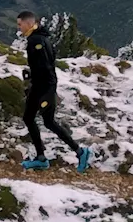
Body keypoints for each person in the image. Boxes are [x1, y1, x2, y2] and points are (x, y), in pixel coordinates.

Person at [17, 11, 92, 172]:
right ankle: (41, 158)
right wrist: (32, 75)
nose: (19, 27)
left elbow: (45, 66)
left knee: (48, 121)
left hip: (45, 87)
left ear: (28, 23)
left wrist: (46, 89)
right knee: (29, 118)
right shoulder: (39, 38)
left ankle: (80, 152)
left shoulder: (37, 41)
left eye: (20, 24)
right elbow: (46, 63)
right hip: (38, 85)